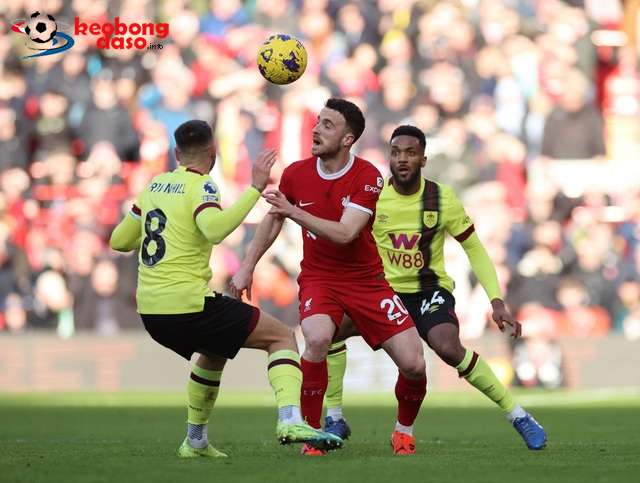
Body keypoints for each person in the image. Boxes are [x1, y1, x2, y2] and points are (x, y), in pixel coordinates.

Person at [109, 120, 342, 458]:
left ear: (177, 153)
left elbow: (119, 241)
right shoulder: (203, 186)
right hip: (187, 305)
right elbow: (215, 230)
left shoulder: (155, 185)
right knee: (281, 337)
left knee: (215, 351)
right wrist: (254, 189)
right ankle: (290, 419)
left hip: (150, 311)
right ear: (213, 153)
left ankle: (195, 441)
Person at [322, 125, 547, 451]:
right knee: (328, 332)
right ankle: (334, 416)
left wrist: (496, 300)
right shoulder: (372, 197)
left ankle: (518, 415)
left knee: (448, 347)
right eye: (396, 152)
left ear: (423, 159)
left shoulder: (442, 199)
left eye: (410, 153)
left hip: (429, 291)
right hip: (383, 292)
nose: (402, 159)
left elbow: (475, 249)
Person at [231, 99, 428, 456]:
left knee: (414, 364)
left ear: (348, 139)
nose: (316, 129)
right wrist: (247, 265)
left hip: (367, 281)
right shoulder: (296, 174)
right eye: (318, 122)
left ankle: (403, 431)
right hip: (320, 278)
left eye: (327, 125)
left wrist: (292, 211)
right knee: (317, 338)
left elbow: (345, 233)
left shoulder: (368, 176)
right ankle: (311, 435)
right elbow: (274, 219)